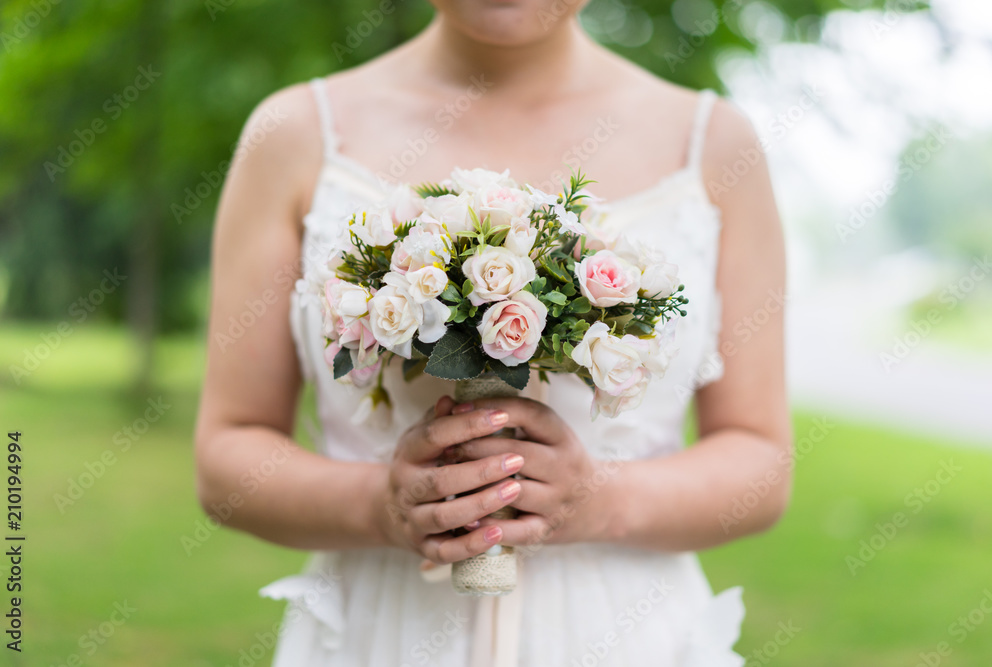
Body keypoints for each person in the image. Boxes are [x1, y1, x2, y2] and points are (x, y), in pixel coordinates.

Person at [194, 1, 791, 664]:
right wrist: (379, 506)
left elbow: (761, 462)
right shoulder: (293, 134)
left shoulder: (714, 144)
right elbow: (228, 454)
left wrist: (601, 501)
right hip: (382, 633)